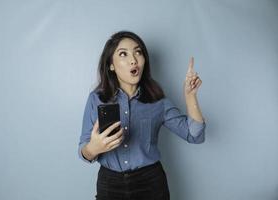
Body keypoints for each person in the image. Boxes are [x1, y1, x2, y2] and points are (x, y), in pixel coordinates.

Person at [78, 30, 206, 200]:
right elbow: (83, 150)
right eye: (123, 54)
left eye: (138, 52)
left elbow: (195, 135)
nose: (133, 60)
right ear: (111, 65)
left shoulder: (157, 101)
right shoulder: (97, 99)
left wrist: (190, 97)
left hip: (150, 183)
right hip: (110, 183)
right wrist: (93, 149)